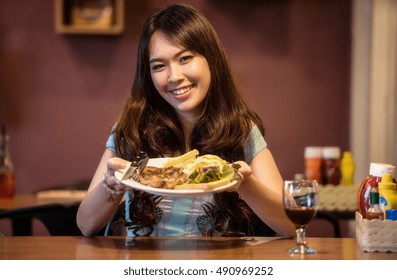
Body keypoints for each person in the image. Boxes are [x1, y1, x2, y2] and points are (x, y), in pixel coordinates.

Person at [76, 3, 295, 237]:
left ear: (211, 59)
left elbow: (291, 225)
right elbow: (86, 225)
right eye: (159, 66)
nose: (174, 77)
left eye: (185, 58)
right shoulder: (131, 130)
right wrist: (111, 185)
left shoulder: (239, 131)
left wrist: (244, 183)